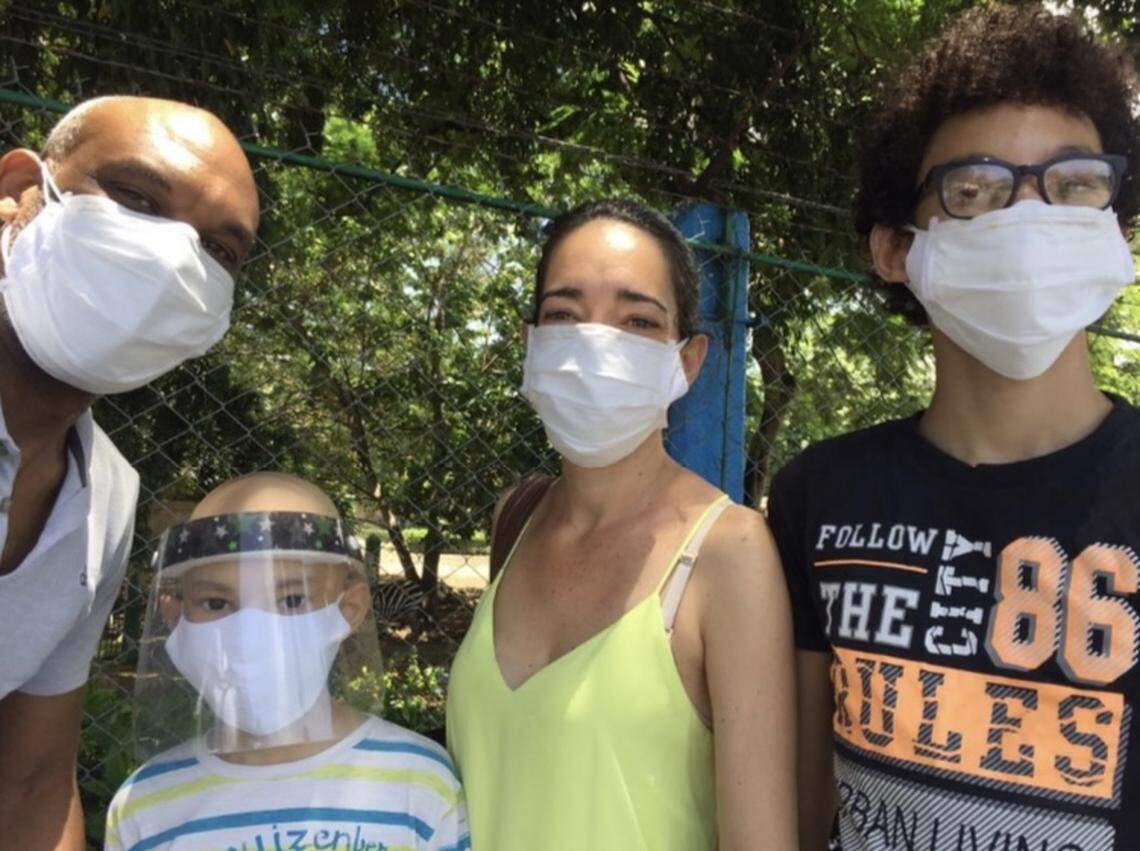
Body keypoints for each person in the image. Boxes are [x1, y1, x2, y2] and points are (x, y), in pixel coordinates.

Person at [767, 6, 1140, 850]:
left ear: (1114, 230)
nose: (1031, 217)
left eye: (1075, 183)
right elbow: (798, 806)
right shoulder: (818, 497)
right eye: (975, 191)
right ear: (898, 248)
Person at [446, 199, 797, 851]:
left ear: (686, 361)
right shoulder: (515, 518)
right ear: (530, 345)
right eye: (564, 314)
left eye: (637, 320)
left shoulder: (728, 552)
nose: (595, 340)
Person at [0, 95, 260, 850]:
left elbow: (32, 782)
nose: (174, 259)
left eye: (221, 252)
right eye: (138, 199)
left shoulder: (108, 494)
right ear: (20, 192)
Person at [105, 471, 469, 851]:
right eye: (216, 603)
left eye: (292, 600)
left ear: (350, 610)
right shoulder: (144, 807)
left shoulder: (418, 783)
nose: (250, 635)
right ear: (175, 616)